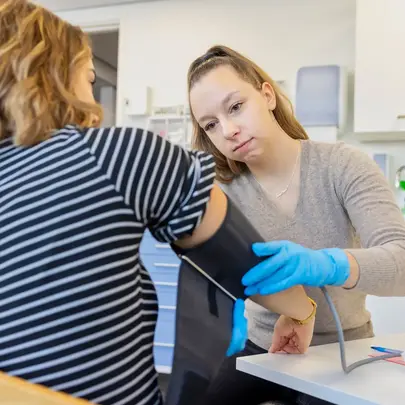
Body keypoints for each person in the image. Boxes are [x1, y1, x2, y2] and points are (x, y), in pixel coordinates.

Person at [0, 2, 318, 405]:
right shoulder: (112, 154)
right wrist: (303, 310)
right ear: (57, 77)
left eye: (236, 107)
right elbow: (251, 266)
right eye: (88, 78)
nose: (93, 103)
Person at [187, 44, 405, 405]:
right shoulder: (223, 193)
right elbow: (229, 274)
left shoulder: (343, 166)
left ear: (267, 95)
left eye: (236, 106)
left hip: (346, 347)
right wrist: (300, 311)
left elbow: (401, 262)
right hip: (263, 345)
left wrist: (329, 265)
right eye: (210, 124)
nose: (228, 130)